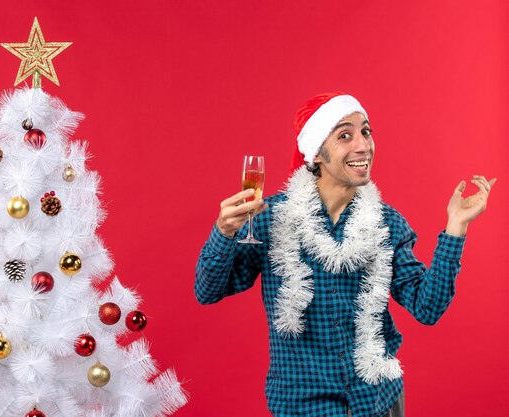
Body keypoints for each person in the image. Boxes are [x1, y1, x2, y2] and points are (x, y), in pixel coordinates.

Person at [194, 92, 496, 417]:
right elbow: (207, 292)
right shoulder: (271, 219)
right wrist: (224, 233)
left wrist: (456, 227)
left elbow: (427, 307)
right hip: (303, 407)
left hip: (378, 402)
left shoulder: (386, 223)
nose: (363, 145)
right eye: (344, 135)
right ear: (316, 153)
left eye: (366, 131)